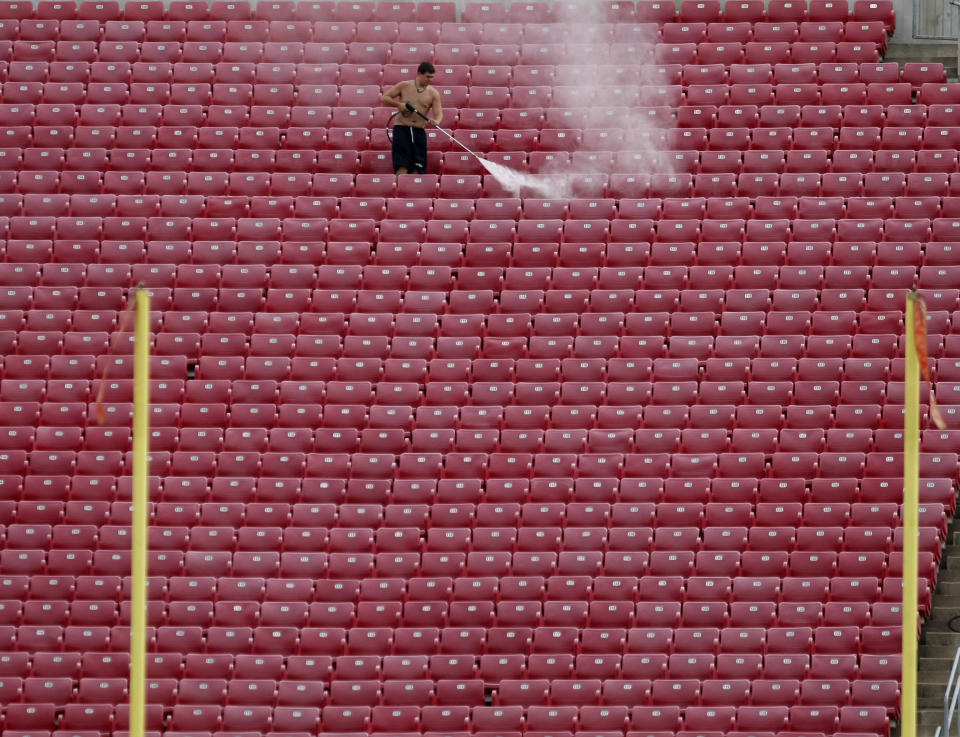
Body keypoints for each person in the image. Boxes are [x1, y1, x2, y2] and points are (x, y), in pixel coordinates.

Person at [380, 61, 443, 175]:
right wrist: (399, 105)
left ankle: (413, 191)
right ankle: (399, 191)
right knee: (402, 167)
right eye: (427, 77)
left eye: (432, 77)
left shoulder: (433, 93)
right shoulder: (404, 85)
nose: (430, 80)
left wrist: (437, 121)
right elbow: (384, 97)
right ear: (419, 73)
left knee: (417, 169)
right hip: (402, 129)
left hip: (419, 131)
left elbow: (439, 114)